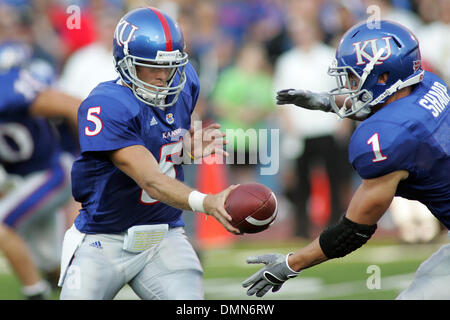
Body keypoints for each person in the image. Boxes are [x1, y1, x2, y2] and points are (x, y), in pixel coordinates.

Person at [242, 20, 449, 299]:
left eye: (352, 78)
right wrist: (327, 102)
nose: (348, 86)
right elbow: (384, 105)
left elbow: (353, 231)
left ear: (384, 76)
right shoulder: (429, 84)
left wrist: (290, 264)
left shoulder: (388, 138)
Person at [58, 7, 240, 300]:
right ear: (126, 64)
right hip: (104, 239)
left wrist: (183, 150)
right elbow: (150, 179)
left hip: (163, 235)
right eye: (151, 66)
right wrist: (206, 202)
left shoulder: (185, 83)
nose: (163, 76)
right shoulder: (107, 104)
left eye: (170, 66)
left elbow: (159, 139)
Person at [0, 40, 81, 299]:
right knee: (54, 267)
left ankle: (35, 294)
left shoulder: (9, 88)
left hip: (50, 173)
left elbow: (75, 106)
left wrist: (90, 159)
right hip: (26, 180)